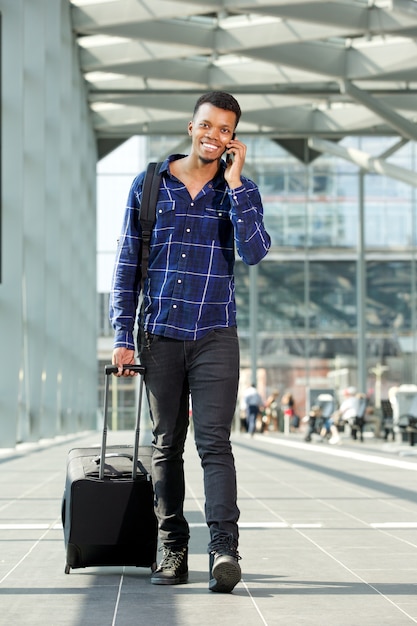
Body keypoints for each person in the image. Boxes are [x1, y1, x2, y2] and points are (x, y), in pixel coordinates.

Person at [109, 91, 271, 593]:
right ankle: (173, 546)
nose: (214, 136)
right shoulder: (150, 184)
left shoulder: (237, 190)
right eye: (208, 126)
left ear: (233, 138)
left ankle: (224, 548)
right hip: (159, 334)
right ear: (191, 126)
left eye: (225, 130)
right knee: (166, 446)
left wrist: (238, 183)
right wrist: (121, 334)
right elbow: (127, 266)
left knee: (215, 444)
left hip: (215, 332)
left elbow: (255, 252)